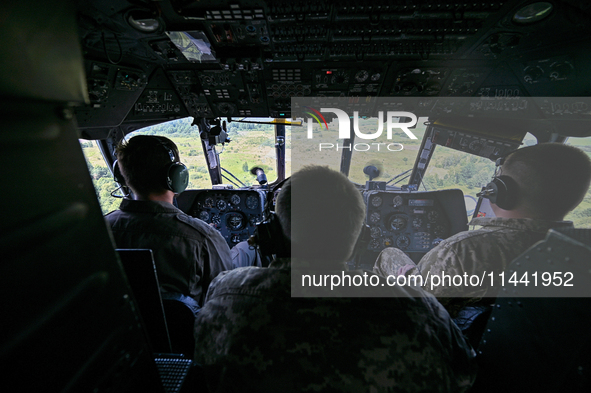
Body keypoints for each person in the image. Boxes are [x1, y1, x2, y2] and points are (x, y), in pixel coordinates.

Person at [194, 165, 476, 393]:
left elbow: (204, 366)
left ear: (272, 234)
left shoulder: (225, 294)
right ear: (362, 239)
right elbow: (463, 379)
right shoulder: (419, 308)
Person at [374, 143, 591, 318]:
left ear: (501, 191)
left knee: (389, 254)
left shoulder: (464, 250)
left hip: (456, 354)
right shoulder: (581, 253)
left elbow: (421, 312)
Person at [105, 135, 232, 306]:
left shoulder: (99, 230)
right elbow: (226, 299)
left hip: (123, 331)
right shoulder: (204, 239)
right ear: (176, 176)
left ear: (121, 176)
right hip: (186, 332)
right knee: (246, 250)